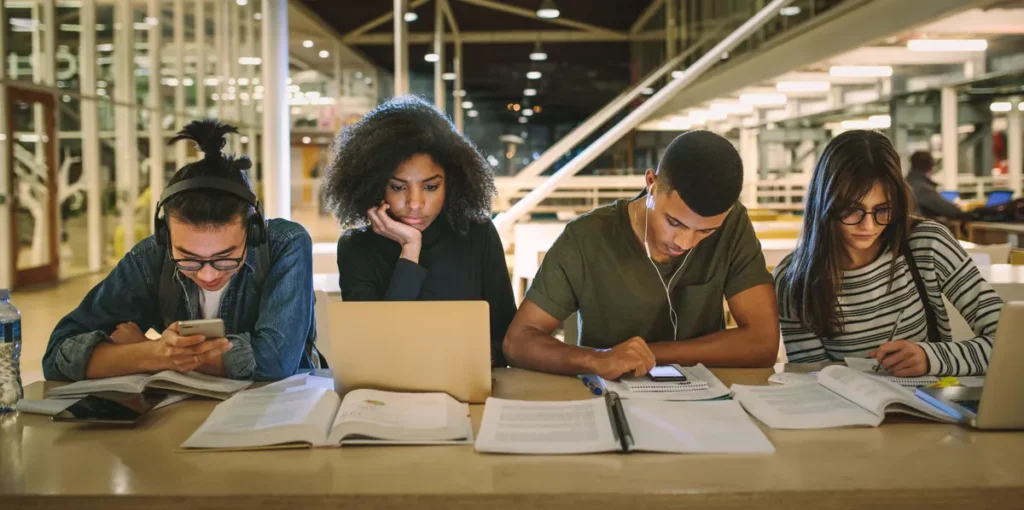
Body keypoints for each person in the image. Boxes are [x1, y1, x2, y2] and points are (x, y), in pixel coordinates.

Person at [44, 120, 319, 381]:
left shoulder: (285, 244)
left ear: (254, 230)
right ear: (165, 235)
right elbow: (58, 357)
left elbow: (276, 362)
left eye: (225, 258)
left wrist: (142, 351)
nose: (208, 275)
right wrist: (154, 353)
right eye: (188, 259)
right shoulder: (151, 256)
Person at [502, 130, 780, 380]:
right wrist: (597, 359)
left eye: (705, 232)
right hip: (610, 398)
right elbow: (518, 342)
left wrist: (649, 354)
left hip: (704, 400)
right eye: (674, 222)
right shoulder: (586, 238)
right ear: (651, 183)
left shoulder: (733, 225)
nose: (686, 242)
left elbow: (763, 343)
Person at [774, 131, 1001, 376]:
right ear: (824, 205)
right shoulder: (793, 280)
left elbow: (1012, 342)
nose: (869, 226)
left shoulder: (928, 244)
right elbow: (813, 378)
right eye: (852, 210)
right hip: (847, 411)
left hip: (931, 408)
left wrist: (931, 358)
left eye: (883, 210)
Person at [323, 95, 516, 367]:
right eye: (399, 187)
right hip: (388, 393)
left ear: (452, 184)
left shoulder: (477, 235)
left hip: (466, 387)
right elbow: (375, 348)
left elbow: (507, 337)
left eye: (430, 187)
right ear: (375, 185)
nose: (415, 203)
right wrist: (410, 249)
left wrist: (482, 358)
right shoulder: (356, 247)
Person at [906, 151, 970, 220]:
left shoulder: (906, 182)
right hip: (922, 228)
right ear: (931, 168)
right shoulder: (923, 188)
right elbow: (950, 211)